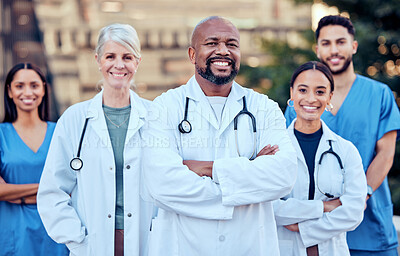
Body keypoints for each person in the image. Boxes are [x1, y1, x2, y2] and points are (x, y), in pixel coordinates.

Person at [142, 16, 297, 256]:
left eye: (232, 44)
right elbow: (161, 185)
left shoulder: (263, 107)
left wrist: (208, 169)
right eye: (212, 43)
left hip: (248, 247)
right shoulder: (165, 107)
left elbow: (283, 175)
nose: (223, 51)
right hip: (183, 247)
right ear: (193, 55)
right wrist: (249, 170)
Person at [285, 15, 400, 256]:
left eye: (341, 42)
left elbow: (386, 155)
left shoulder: (379, 94)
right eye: (326, 43)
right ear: (317, 50)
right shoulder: (301, 103)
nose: (334, 50)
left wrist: (360, 195)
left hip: (369, 225)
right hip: (313, 226)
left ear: (354, 46)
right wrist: (321, 209)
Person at [37, 23, 154, 256]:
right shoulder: (74, 119)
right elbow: (52, 191)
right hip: (93, 243)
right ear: (98, 59)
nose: (119, 65)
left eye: (127, 57)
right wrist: (78, 240)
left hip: (147, 242)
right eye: (110, 56)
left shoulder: (155, 117)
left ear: (137, 62)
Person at [275, 61, 366, 256]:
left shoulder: (346, 151)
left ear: (329, 97)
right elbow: (268, 207)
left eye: (320, 91)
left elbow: (353, 212)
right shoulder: (275, 149)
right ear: (292, 93)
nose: (310, 99)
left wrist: (302, 228)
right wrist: (323, 207)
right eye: (303, 90)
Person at [0, 63, 68, 255]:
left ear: (44, 89)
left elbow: (75, 186)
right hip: (13, 234)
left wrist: (18, 195)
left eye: (34, 85)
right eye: (19, 86)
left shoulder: (61, 132)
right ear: (10, 91)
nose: (27, 92)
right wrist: (49, 189)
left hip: (56, 231)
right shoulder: (1, 135)